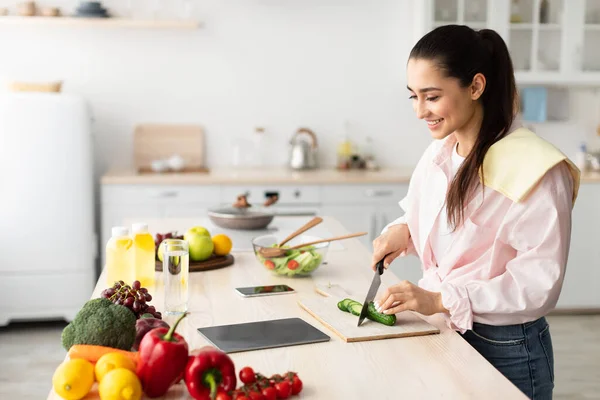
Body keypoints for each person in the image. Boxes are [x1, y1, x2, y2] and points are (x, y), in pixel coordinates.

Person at [370, 25, 580, 399]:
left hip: (506, 348)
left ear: (476, 87)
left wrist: (439, 299)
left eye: (432, 97)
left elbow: (538, 283)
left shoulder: (536, 168)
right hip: (444, 329)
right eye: (413, 97)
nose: (420, 111)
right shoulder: (440, 152)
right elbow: (444, 225)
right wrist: (404, 230)